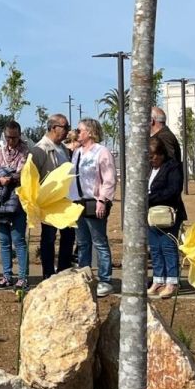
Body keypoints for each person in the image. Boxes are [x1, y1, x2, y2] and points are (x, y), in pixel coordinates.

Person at [68, 118, 117, 297]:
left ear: (89, 132)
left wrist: (102, 200)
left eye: (79, 130)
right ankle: (85, 276)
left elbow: (109, 178)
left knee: (99, 242)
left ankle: (105, 279)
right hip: (77, 202)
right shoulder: (77, 152)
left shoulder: (101, 152)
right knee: (82, 243)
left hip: (94, 201)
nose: (77, 133)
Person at [0, 121, 29, 290]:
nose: (11, 141)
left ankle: (23, 277)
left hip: (18, 201)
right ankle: (6, 276)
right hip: (1, 200)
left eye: (14, 137)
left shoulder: (25, 152)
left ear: (19, 135)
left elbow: (23, 173)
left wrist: (8, 175)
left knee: (19, 239)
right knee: (4, 240)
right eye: (8, 137)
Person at [30, 114, 74, 280]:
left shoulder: (64, 149)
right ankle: (48, 273)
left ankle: (64, 270)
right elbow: (32, 176)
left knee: (69, 236)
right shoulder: (40, 149)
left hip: (66, 201)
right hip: (49, 202)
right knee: (49, 238)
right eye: (65, 127)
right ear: (53, 128)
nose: (68, 131)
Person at [147, 136, 186, 299]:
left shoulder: (173, 167)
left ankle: (172, 282)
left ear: (161, 154)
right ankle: (158, 279)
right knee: (155, 248)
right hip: (152, 215)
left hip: (168, 214)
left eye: (153, 156)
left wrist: (150, 198)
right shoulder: (149, 169)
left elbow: (173, 190)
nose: (151, 160)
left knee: (168, 247)